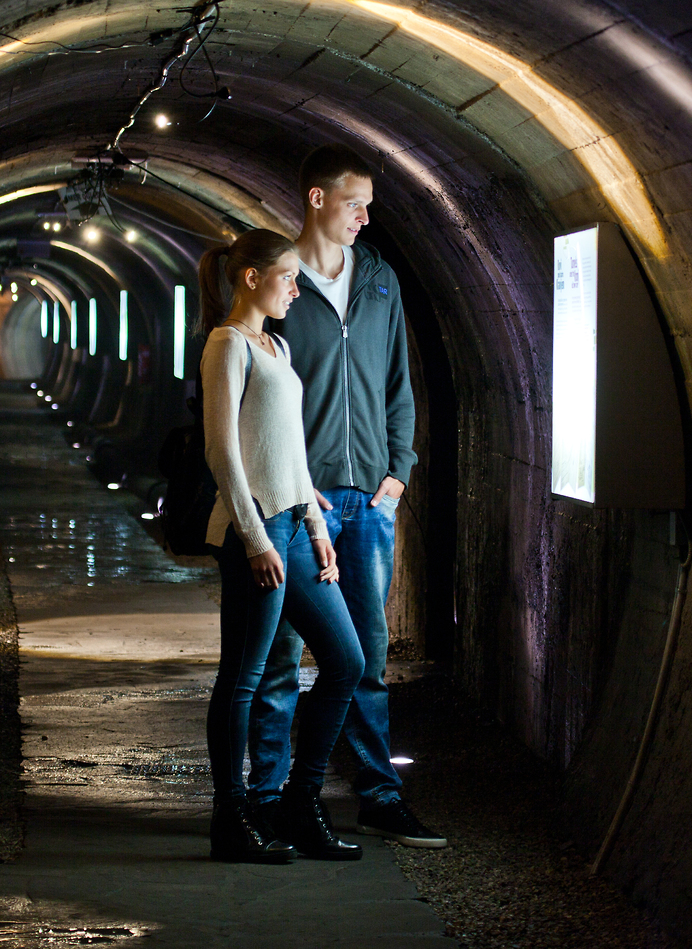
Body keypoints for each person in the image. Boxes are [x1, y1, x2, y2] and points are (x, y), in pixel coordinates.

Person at [249, 146, 448, 849]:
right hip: (298, 501)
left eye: (369, 203)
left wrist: (398, 472)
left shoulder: (382, 283)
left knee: (364, 651)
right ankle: (267, 795)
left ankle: (379, 792)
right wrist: (287, 494)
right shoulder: (278, 284)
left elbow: (400, 383)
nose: (367, 215)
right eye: (354, 201)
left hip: (367, 500)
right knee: (279, 653)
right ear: (315, 199)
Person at [197, 227, 366, 864]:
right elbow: (223, 451)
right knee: (242, 681)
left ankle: (301, 801)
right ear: (251, 278)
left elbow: (290, 450)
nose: (297, 288)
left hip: (296, 527)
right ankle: (230, 820)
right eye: (287, 277)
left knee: (344, 662)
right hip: (256, 534)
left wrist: (318, 531)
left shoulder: (277, 346)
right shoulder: (227, 345)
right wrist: (253, 535)